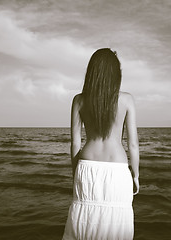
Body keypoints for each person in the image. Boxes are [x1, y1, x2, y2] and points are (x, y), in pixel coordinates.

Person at [62, 48, 140, 240]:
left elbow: (74, 144)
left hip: (86, 166)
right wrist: (136, 175)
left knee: (84, 224)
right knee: (116, 227)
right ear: (116, 73)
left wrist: (75, 173)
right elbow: (133, 145)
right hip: (117, 170)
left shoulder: (79, 100)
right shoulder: (126, 99)